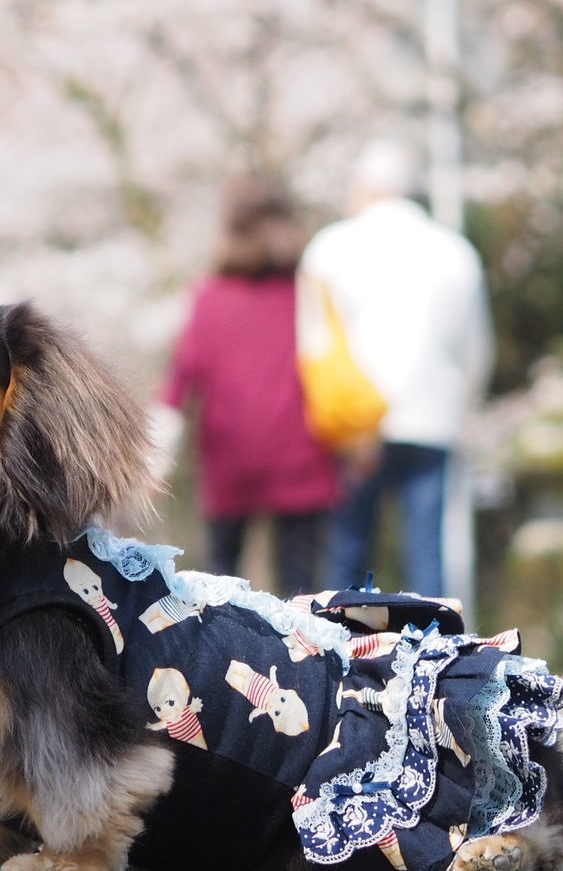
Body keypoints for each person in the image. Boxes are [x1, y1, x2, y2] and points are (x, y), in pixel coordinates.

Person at [298, 140, 493, 598]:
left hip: (356, 425)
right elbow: (476, 347)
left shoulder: (328, 247)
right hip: (433, 418)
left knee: (348, 555)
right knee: (426, 559)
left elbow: (312, 344)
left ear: (366, 186)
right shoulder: (455, 250)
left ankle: (339, 661)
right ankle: (442, 659)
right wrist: (467, 404)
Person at [160, 174, 340, 596]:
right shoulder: (306, 292)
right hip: (301, 451)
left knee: (219, 585)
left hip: (230, 456)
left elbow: (183, 375)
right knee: (304, 592)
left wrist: (156, 451)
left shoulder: (210, 297)